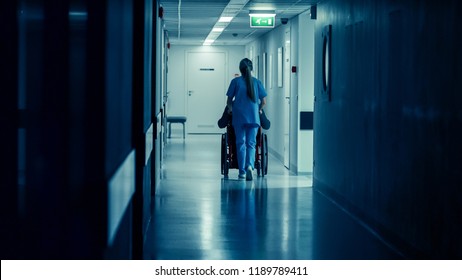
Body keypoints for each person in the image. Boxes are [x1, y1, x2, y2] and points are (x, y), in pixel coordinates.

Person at [226, 58, 267, 180]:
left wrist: (231, 109)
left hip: (239, 117)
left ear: (240, 69)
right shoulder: (257, 82)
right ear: (251, 68)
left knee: (240, 143)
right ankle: (250, 166)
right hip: (253, 117)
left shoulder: (235, 82)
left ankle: (242, 172)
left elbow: (229, 101)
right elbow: (264, 102)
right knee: (251, 144)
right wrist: (258, 109)